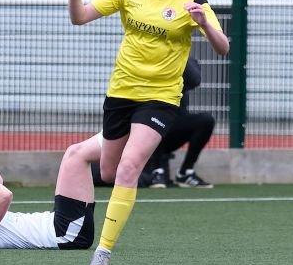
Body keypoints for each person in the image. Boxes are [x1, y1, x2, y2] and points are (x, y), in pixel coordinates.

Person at [68, 0, 229, 265]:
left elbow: (223, 48)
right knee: (110, 171)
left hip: (160, 97)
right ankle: (93, 163)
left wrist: (205, 23)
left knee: (129, 167)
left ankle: (103, 252)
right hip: (121, 92)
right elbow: (79, 18)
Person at [91, 56, 216, 189]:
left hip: (173, 120)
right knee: (150, 121)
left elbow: (194, 80)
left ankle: (185, 173)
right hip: (144, 121)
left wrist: (175, 57)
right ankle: (157, 171)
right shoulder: (143, 55)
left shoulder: (182, 55)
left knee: (206, 120)